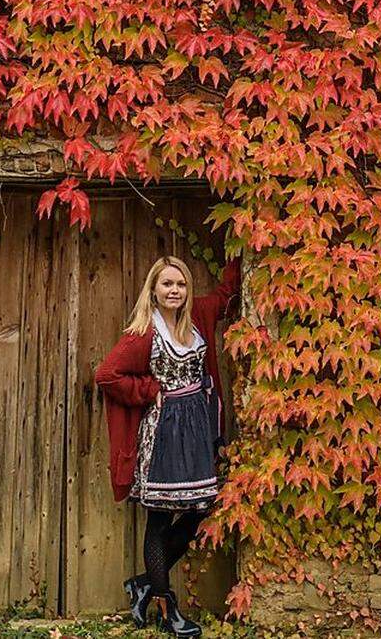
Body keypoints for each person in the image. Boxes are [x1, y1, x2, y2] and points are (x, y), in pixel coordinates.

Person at [94, 255, 240, 637]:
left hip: (198, 428)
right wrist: (150, 390)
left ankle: (143, 584)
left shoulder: (199, 317)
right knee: (159, 518)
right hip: (163, 432)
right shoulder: (144, 332)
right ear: (154, 291)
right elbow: (107, 374)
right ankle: (165, 603)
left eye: (181, 285)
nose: (175, 291)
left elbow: (227, 294)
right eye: (167, 285)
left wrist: (242, 240)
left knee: (200, 508)